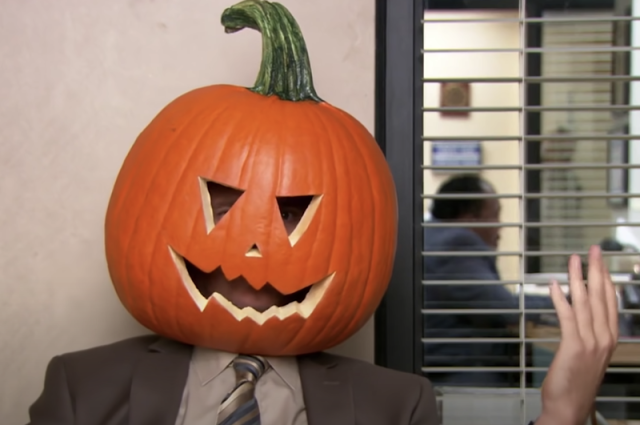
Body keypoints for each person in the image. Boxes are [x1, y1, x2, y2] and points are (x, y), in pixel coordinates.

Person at [423, 174, 555, 387]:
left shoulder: (430, 235)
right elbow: (505, 308)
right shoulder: (454, 243)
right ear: (469, 218)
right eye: (495, 215)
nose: (500, 227)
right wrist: (563, 302)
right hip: (458, 375)